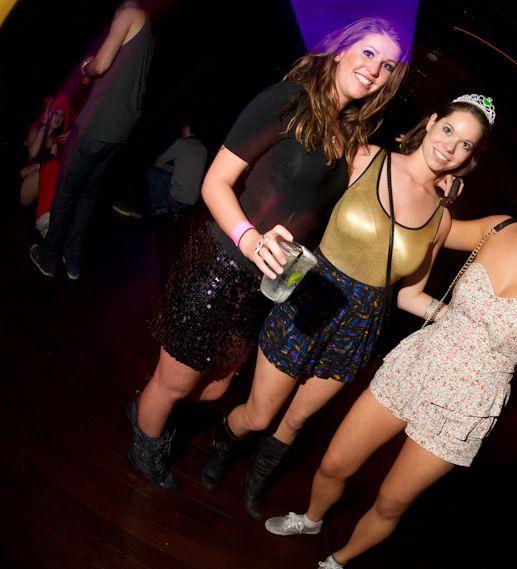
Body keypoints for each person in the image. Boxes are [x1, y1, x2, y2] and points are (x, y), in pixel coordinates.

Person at [262, 154, 517, 569]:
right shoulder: (500, 228)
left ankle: (339, 560)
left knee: (391, 502)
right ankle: (311, 519)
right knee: (335, 463)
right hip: (418, 362)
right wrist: (431, 191)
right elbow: (430, 225)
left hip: (466, 405)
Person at [125, 17, 408, 491]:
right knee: (174, 382)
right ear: (341, 51)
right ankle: (145, 442)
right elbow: (216, 182)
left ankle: (147, 411)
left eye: (387, 65)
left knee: (216, 386)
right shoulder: (288, 100)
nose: (374, 69)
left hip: (264, 284)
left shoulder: (347, 137)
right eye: (368, 53)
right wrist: (250, 240)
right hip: (222, 262)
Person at [200, 95, 494, 519]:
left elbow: (409, 294)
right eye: (448, 130)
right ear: (431, 122)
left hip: (362, 324)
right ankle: (221, 448)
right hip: (312, 296)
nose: (450, 146)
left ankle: (256, 480)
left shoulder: (441, 218)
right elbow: (304, 196)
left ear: (470, 158)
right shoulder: (365, 158)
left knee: (295, 420)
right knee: (261, 415)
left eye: (465, 144)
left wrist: (460, 320)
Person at [30, 1, 153, 280]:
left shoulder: (129, 13)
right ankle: (73, 262)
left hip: (97, 124)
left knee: (66, 191)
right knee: (88, 194)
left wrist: (87, 66)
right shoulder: (147, 30)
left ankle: (48, 259)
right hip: (119, 132)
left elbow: (102, 63)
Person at [145, 123, 208, 216]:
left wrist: (169, 169)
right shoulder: (203, 149)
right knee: (170, 177)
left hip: (177, 197)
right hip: (192, 199)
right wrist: (174, 170)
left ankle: (160, 206)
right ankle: (177, 210)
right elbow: (188, 170)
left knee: (152, 170)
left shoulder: (181, 142)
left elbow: (158, 162)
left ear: (187, 129)